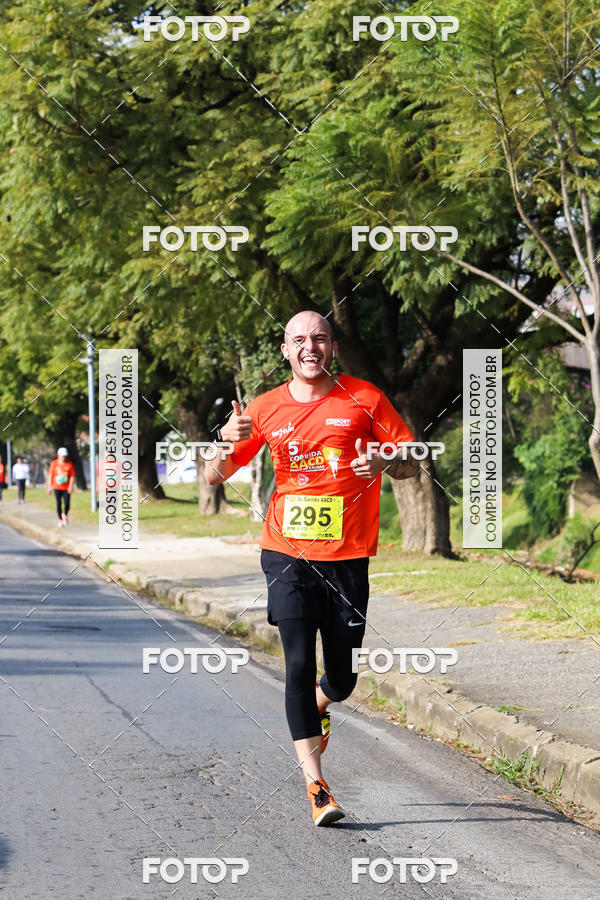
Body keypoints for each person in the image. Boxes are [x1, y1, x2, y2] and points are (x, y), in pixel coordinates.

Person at [205, 310, 419, 826]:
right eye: (299, 340)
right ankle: (317, 785)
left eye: (319, 338)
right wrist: (223, 439)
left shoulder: (364, 399)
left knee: (341, 680)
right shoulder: (263, 407)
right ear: (285, 350)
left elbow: (414, 460)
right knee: (297, 666)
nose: (309, 347)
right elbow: (212, 476)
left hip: (347, 558)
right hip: (286, 555)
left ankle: (321, 703)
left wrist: (386, 462)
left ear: (333, 346)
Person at [47, 447, 76, 527]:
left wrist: (71, 486)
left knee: (67, 503)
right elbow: (50, 475)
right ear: (58, 455)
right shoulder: (54, 463)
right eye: (62, 456)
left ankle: (65, 514)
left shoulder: (69, 464)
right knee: (58, 503)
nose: (63, 457)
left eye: (65, 456)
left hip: (66, 487)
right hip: (57, 487)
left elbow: (72, 476)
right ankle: (60, 519)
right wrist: (49, 487)